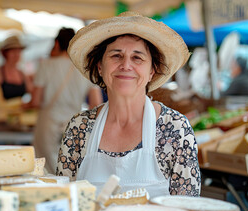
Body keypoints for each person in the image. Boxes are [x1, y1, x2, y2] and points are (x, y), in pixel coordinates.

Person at [56, 12, 201, 197]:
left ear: (151, 71)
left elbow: (187, 208)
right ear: (100, 67)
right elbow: (63, 200)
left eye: (137, 58)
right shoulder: (79, 128)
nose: (126, 65)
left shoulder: (175, 128)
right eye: (116, 56)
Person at [28, 27, 103, 174]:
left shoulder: (46, 65)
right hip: (74, 124)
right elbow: (96, 105)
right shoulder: (85, 68)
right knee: (68, 170)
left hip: (48, 122)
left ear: (56, 44)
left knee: (44, 170)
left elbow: (35, 101)